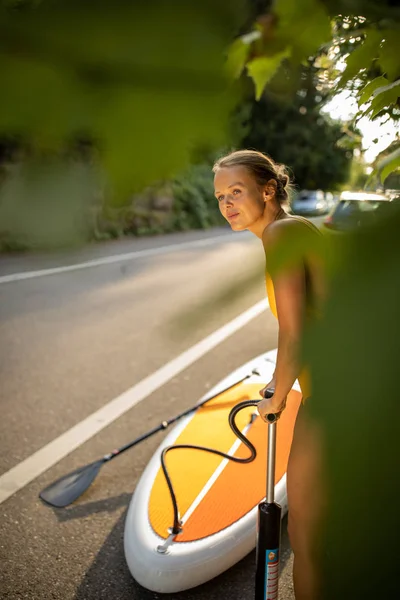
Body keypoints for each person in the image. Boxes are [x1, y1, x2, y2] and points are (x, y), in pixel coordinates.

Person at [213, 150, 326, 600]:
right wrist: (280, 381)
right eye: (221, 196)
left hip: (337, 394)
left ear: (268, 190)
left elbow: (294, 330)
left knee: (306, 528)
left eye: (236, 192)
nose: (226, 204)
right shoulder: (288, 232)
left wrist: (277, 396)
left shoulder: (281, 233)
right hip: (339, 386)